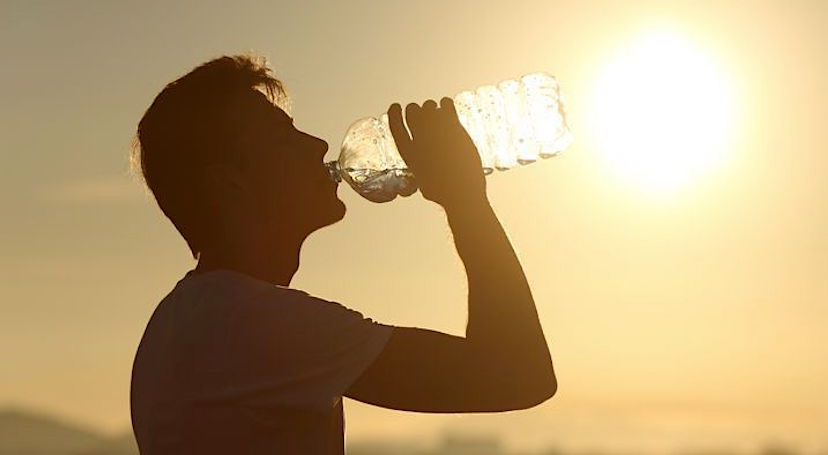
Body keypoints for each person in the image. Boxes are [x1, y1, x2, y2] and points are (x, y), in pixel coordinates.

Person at [129, 54, 557, 455]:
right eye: (284, 138)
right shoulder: (243, 321)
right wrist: (465, 200)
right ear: (230, 185)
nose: (316, 144)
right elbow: (517, 374)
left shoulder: (191, 319)